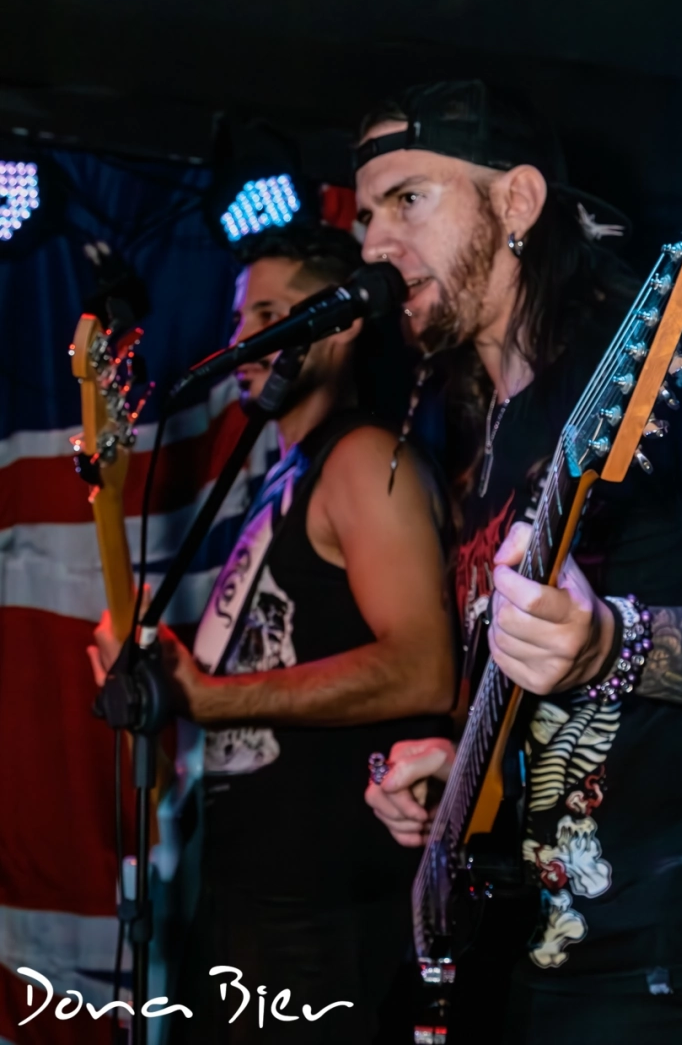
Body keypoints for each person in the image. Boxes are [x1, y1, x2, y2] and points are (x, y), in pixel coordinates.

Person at [357, 80, 682, 1043]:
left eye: (406, 200)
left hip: (662, 963)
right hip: (521, 952)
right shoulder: (483, 430)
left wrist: (612, 645)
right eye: (363, 217)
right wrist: (466, 770)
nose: (373, 244)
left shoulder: (655, 383)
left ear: (516, 201)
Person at [89, 222, 456, 1044]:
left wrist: (209, 698)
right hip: (242, 903)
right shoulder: (286, 475)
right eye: (238, 319)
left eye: (270, 315)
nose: (244, 341)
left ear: (342, 324)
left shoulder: (360, 456)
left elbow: (425, 668)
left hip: (322, 917)